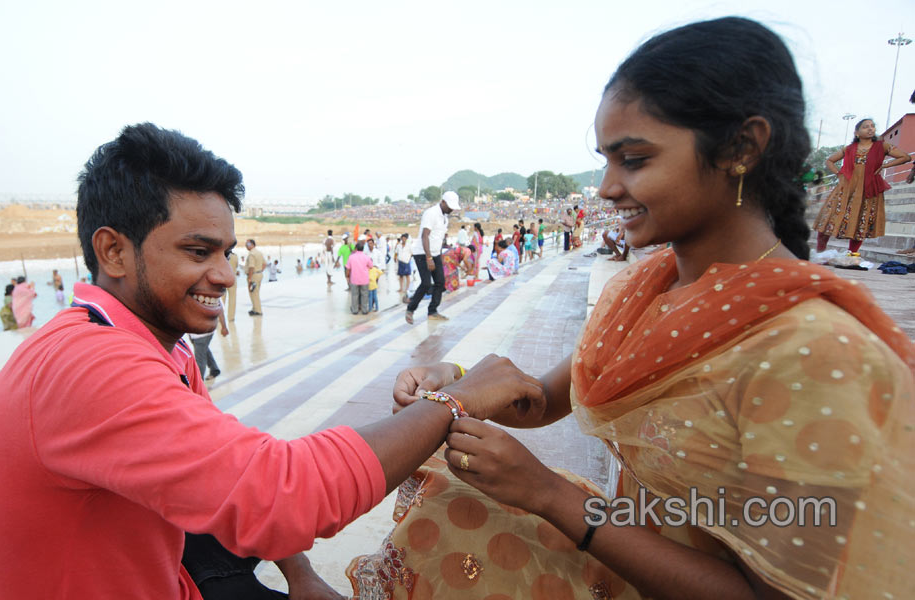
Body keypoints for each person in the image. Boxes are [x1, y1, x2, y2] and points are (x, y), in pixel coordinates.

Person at [365, 18, 915, 600]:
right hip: (630, 549)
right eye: (605, 160)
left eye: (633, 160)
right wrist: (457, 381)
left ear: (741, 149)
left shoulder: (810, 351)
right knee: (453, 503)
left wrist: (550, 495)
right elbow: (548, 399)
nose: (605, 187)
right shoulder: (642, 290)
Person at [0, 122, 547, 599]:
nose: (222, 274)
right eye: (197, 252)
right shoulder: (87, 364)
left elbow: (234, 471)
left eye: (225, 251)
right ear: (113, 250)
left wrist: (300, 574)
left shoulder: (155, 346)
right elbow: (281, 493)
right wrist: (455, 401)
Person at [813, 118, 911, 254]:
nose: (870, 129)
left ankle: (852, 254)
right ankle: (820, 252)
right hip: (846, 188)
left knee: (862, 220)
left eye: (872, 126)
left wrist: (885, 165)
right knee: (830, 218)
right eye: (866, 127)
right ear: (857, 133)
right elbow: (829, 160)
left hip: (868, 188)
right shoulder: (848, 149)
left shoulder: (882, 146)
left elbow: (906, 157)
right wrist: (839, 174)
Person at [405, 190, 459, 324]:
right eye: (450, 206)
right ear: (443, 202)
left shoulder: (444, 217)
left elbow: (438, 238)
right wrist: (429, 258)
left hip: (435, 253)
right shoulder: (431, 213)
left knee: (440, 282)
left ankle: (432, 311)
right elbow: (425, 236)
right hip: (422, 253)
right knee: (426, 283)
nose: (452, 209)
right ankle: (410, 309)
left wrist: (438, 255)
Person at [189, 306, 228, 381]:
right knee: (203, 350)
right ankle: (214, 369)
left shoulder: (209, 295)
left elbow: (219, 309)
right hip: (194, 332)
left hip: (203, 332)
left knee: (200, 358)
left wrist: (224, 327)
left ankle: (198, 383)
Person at [346, 241, 373, 315]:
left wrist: (347, 277)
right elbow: (371, 266)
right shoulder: (366, 257)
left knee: (354, 295)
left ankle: (355, 310)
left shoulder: (351, 257)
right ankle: (364, 310)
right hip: (364, 279)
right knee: (364, 295)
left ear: (356, 248)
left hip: (354, 279)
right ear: (363, 249)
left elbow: (348, 268)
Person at [244, 239, 265, 316]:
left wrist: (250, 278)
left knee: (253, 293)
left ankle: (258, 311)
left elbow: (251, 267)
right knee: (256, 292)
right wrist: (259, 271)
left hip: (253, 275)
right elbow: (264, 264)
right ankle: (254, 308)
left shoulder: (252, 254)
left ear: (252, 244)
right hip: (259, 274)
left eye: (247, 244)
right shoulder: (259, 252)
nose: (246, 246)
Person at [395, 232, 413, 297]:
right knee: (400, 276)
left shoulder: (409, 245)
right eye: (402, 238)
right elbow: (396, 252)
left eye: (405, 238)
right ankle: (401, 288)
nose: (403, 239)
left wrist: (408, 259)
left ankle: (407, 288)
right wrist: (395, 258)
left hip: (406, 262)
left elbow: (412, 253)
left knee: (407, 275)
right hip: (400, 261)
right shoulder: (398, 245)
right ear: (401, 239)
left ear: (406, 239)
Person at [225, 250, 239, 321]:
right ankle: (231, 317)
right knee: (232, 298)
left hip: (223, 278)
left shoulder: (222, 255)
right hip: (232, 278)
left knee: (221, 299)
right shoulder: (235, 256)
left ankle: (219, 317)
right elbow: (236, 266)